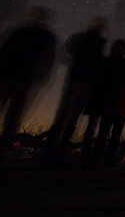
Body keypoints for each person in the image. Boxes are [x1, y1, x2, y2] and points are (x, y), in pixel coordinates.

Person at [0, 6, 57, 162]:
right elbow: (6, 51)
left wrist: (38, 77)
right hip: (11, 77)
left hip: (20, 79)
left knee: (8, 117)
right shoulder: (29, 33)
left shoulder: (41, 35)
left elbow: (46, 60)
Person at [42, 18, 107, 167]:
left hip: (84, 81)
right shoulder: (85, 40)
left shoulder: (97, 42)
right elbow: (66, 52)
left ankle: (58, 153)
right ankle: (51, 155)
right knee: (65, 117)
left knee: (71, 119)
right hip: (78, 80)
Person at [82, 38, 125, 167]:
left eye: (120, 47)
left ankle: (96, 159)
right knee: (91, 129)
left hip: (111, 101)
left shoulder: (123, 65)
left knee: (103, 132)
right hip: (98, 98)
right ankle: (85, 158)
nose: (117, 48)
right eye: (116, 46)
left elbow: (124, 81)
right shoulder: (104, 61)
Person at [101, 54, 125, 165]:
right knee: (103, 134)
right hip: (111, 107)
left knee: (115, 136)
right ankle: (97, 159)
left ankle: (108, 160)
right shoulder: (116, 74)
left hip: (123, 110)